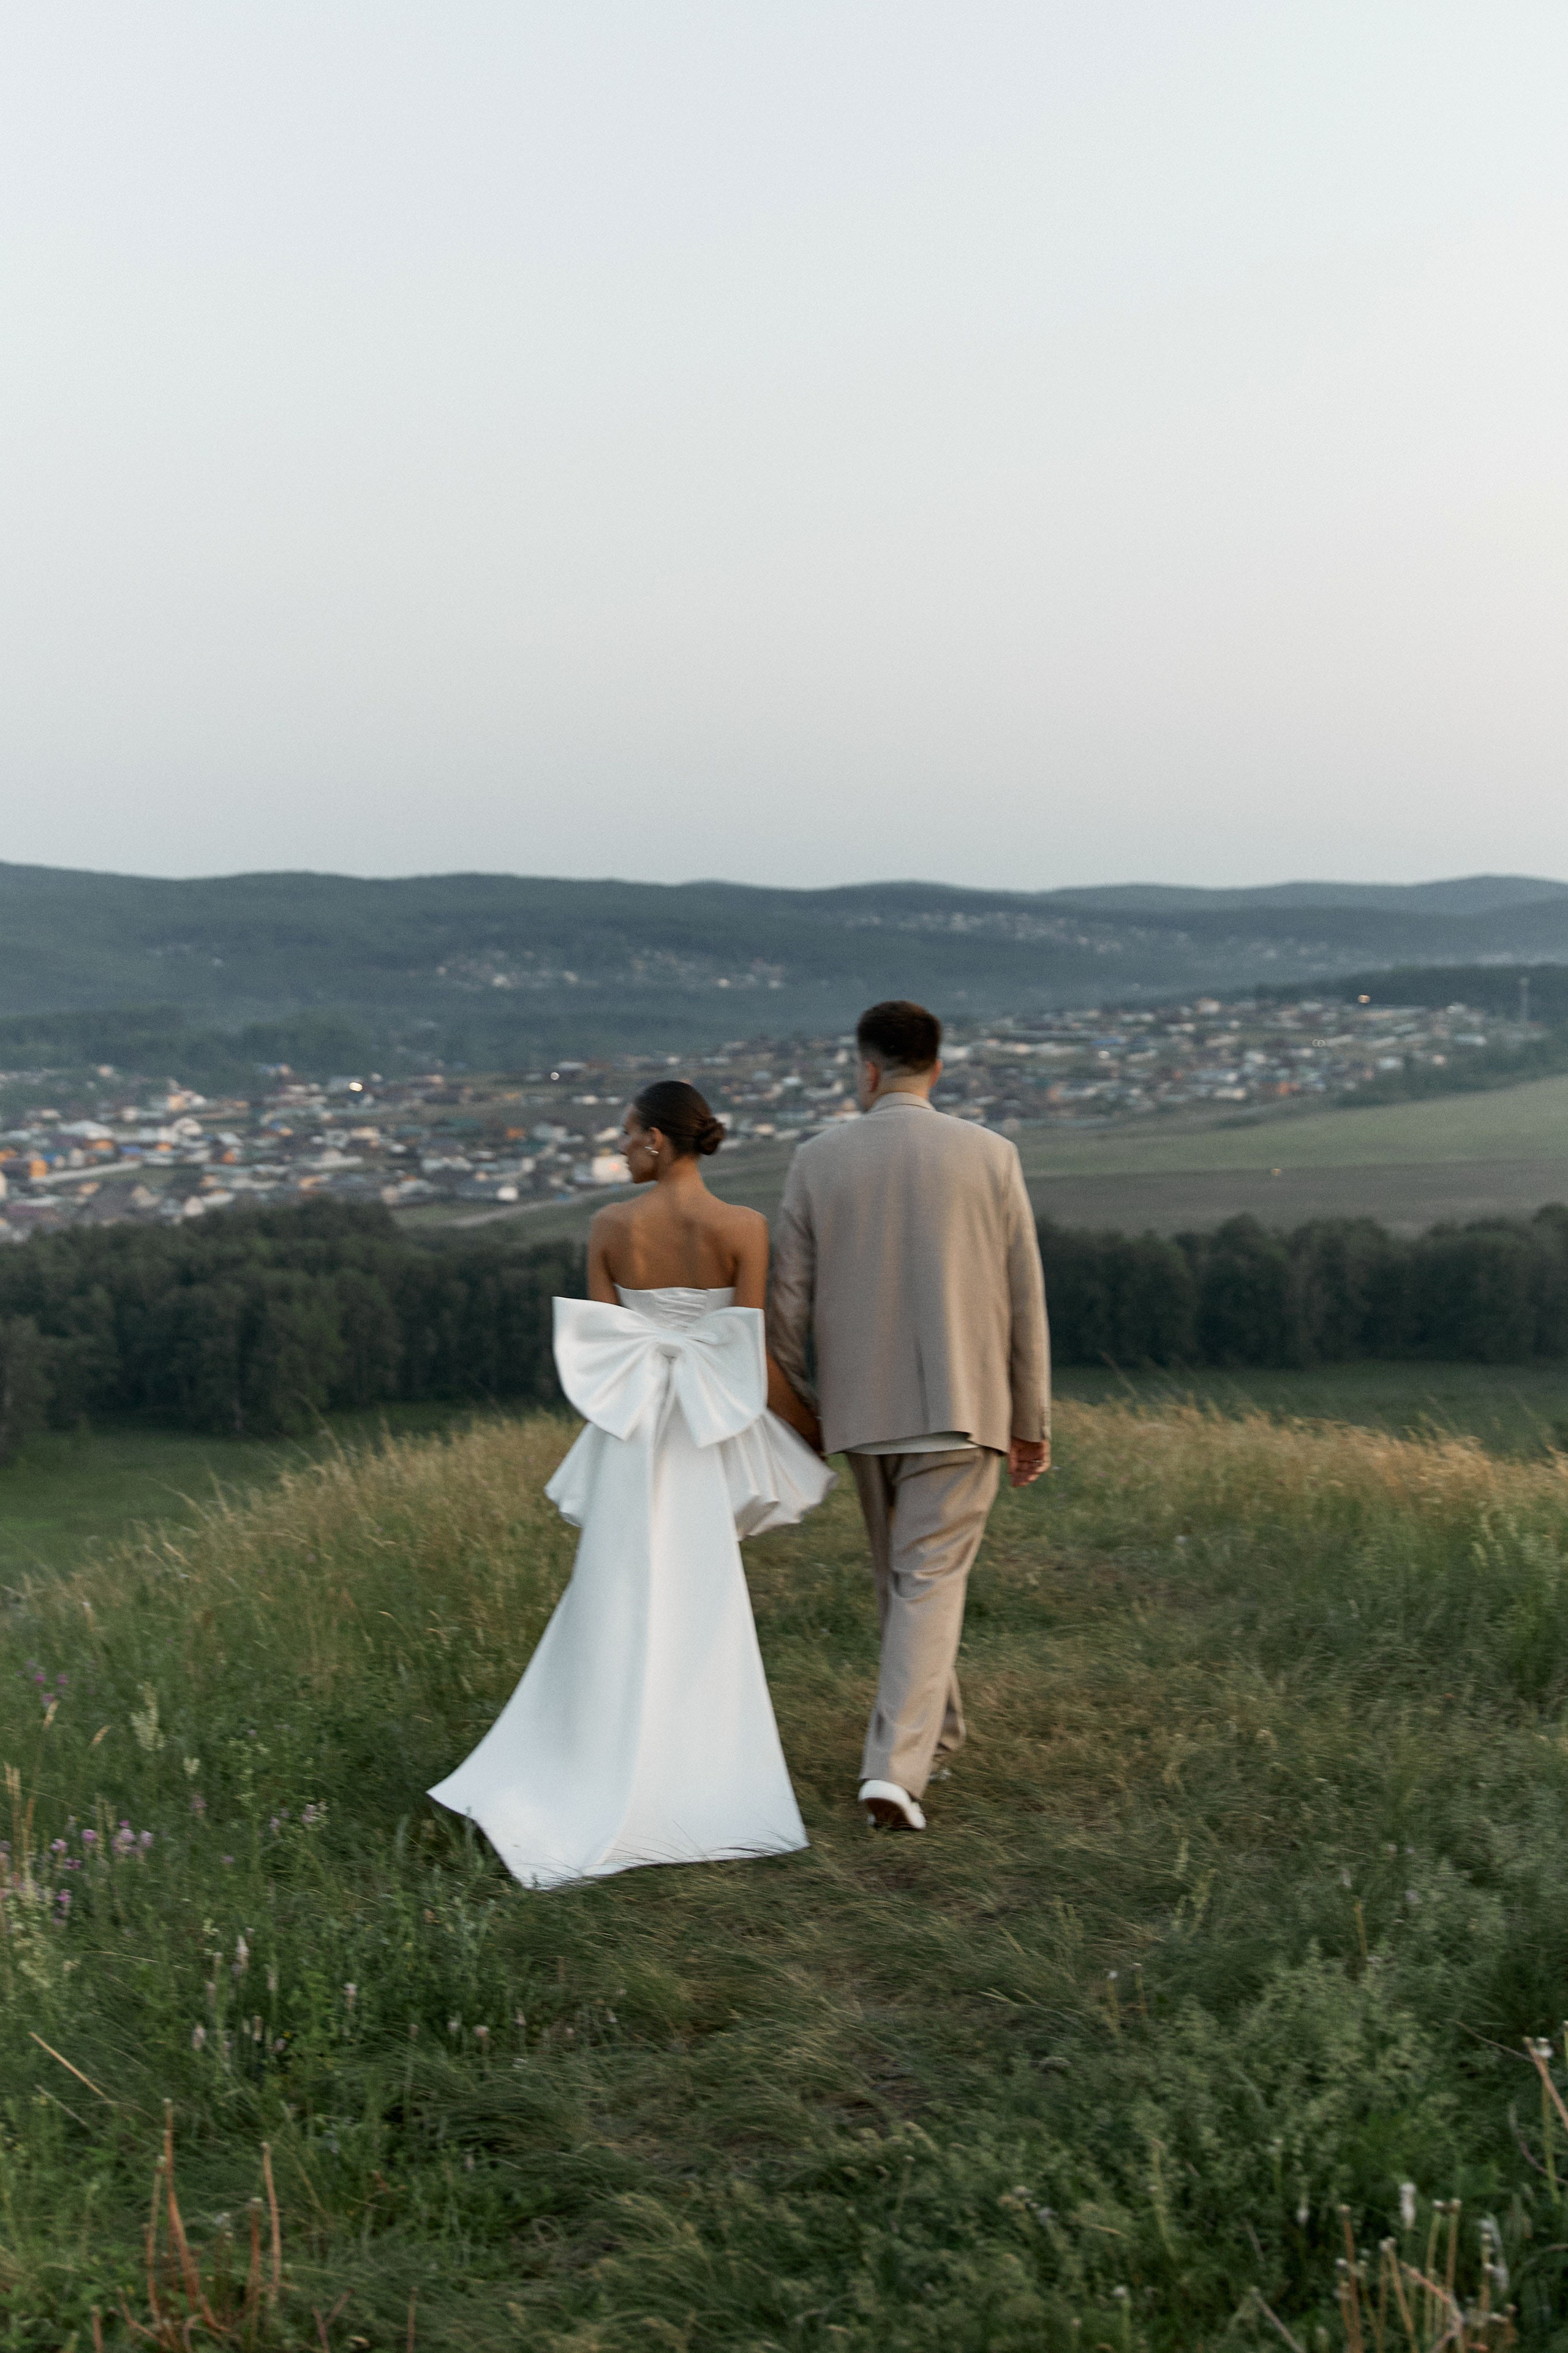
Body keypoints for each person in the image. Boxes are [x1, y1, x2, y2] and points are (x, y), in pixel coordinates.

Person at [429, 1079, 832, 1890]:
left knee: (612, 1594)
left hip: (634, 1435)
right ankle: (704, 1781)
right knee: (699, 1596)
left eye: (626, 1135)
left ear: (657, 1140)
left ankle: (595, 1757)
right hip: (703, 1431)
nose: (620, 1149)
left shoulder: (611, 1227)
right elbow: (754, 1357)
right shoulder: (744, 1228)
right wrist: (813, 1427)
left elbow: (606, 1354)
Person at [768, 1000, 1050, 1832]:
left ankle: (935, 1735)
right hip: (966, 1405)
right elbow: (1024, 1297)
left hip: (859, 1409)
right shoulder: (991, 1155)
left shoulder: (816, 1160)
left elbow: (787, 1298)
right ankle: (893, 1773)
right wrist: (1030, 1415)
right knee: (925, 1581)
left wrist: (799, 1406)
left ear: (866, 1069)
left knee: (909, 1580)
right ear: (938, 1066)